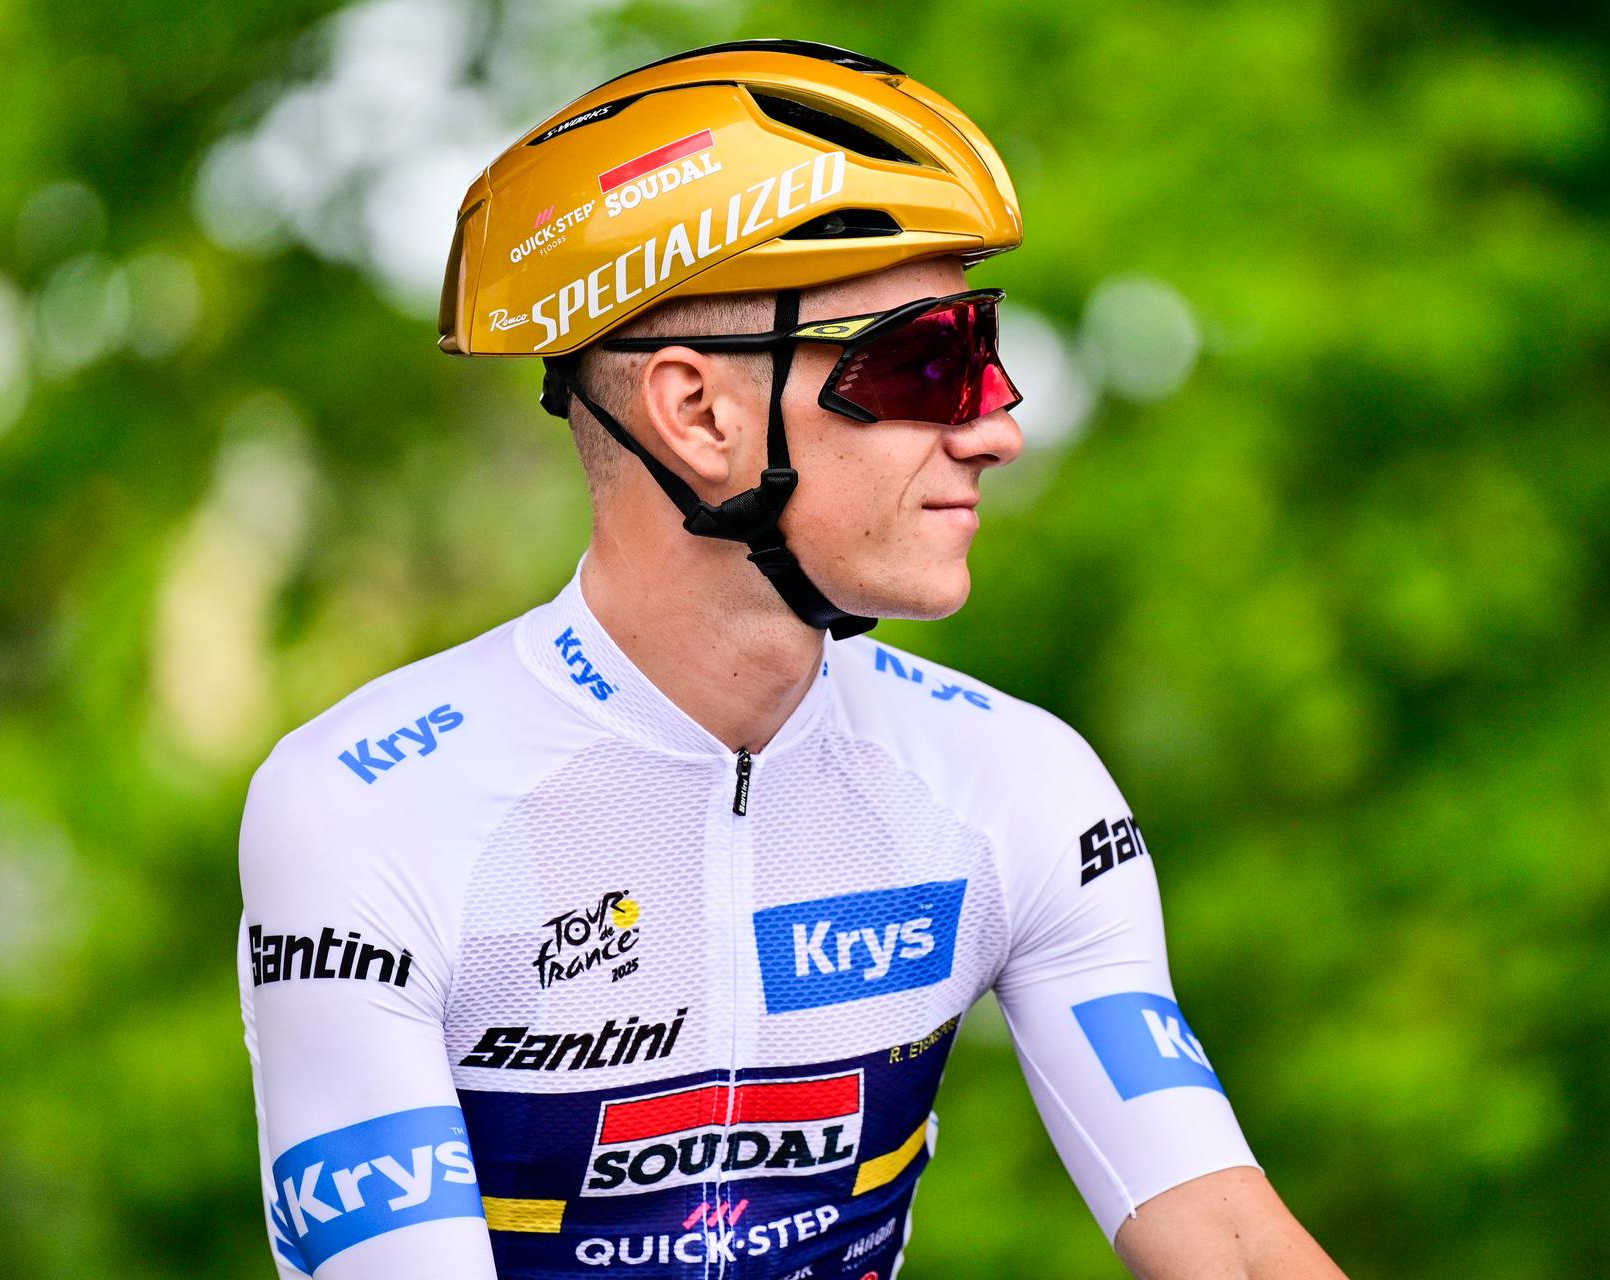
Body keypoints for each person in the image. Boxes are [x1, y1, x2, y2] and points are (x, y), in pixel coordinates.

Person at [238, 38, 1348, 1280]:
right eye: (927, 361)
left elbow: (1229, 1239)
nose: (997, 425)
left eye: (985, 351)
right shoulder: (371, 804)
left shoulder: (1014, 782)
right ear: (697, 413)